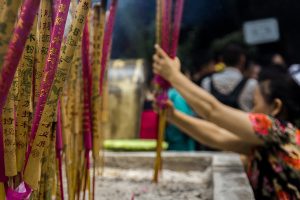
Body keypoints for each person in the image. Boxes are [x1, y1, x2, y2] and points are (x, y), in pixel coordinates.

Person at [152, 44, 300, 199]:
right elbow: (217, 135)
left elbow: (212, 110)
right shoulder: (270, 144)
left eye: (255, 103)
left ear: (276, 107)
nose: (251, 111)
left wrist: (173, 76)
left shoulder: (280, 132)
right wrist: (173, 116)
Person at [201, 44, 257, 111]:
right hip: (241, 120)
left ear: (221, 59)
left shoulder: (207, 82)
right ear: (242, 59)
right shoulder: (251, 84)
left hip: (213, 121)